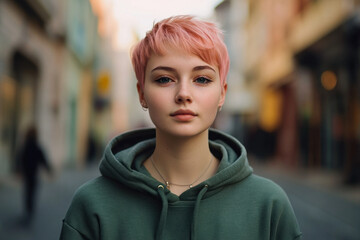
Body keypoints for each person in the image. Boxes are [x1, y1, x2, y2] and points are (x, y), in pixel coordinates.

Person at [60, 15, 302, 240]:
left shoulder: (269, 206)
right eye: (165, 79)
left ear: (222, 94)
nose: (184, 94)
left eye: (202, 79)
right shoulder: (92, 206)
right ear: (141, 94)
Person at [18, 124, 52, 224]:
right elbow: (42, 158)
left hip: (27, 173)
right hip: (33, 174)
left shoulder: (25, 145)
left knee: (28, 192)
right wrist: (49, 169)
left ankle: (28, 209)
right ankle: (30, 210)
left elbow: (21, 158)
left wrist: (19, 170)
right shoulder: (36, 145)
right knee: (32, 192)